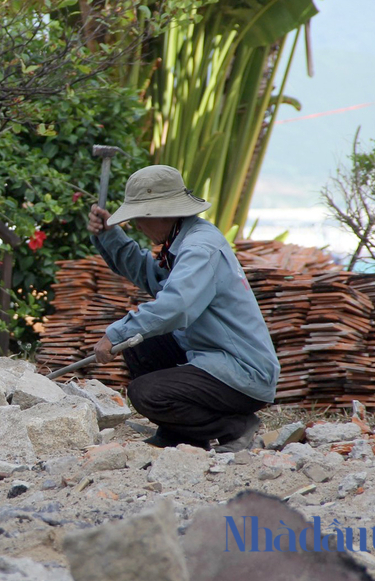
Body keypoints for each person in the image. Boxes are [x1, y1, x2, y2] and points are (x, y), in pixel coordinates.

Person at [87, 164, 280, 452]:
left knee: (145, 393)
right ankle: (178, 434)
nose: (138, 226)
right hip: (213, 358)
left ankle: (236, 427)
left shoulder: (199, 248)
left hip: (242, 372)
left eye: (140, 218)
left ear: (162, 214)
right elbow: (153, 277)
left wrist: (115, 333)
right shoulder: (183, 240)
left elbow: (174, 306)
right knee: (140, 343)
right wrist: (109, 236)